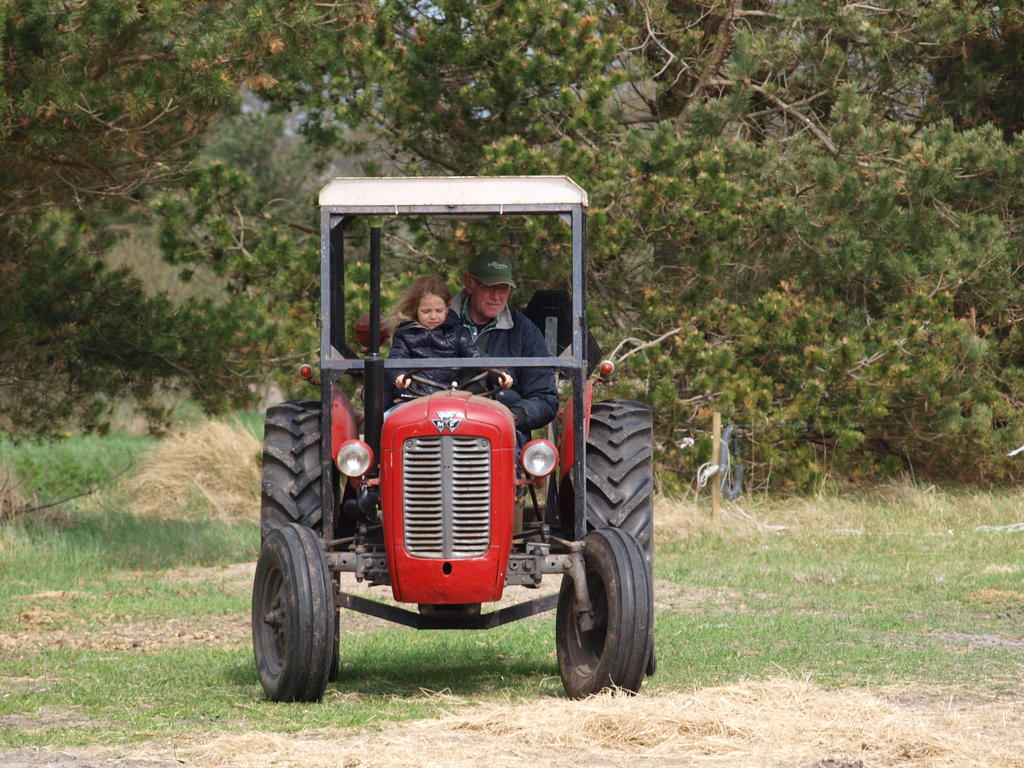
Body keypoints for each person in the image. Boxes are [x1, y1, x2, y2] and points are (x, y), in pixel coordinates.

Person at [451, 254, 558, 445]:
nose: (496, 296)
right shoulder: (438, 325)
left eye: (503, 289)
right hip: (439, 421)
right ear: (469, 284)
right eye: (489, 287)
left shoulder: (524, 331)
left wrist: (512, 417)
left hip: (502, 430)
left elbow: (544, 398)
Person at [388, 274, 512, 395]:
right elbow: (396, 360)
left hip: (449, 396)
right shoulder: (405, 333)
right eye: (426, 311)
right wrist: (399, 376)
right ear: (416, 309)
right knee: (387, 415)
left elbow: (478, 355)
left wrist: (500, 373)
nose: (433, 316)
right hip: (412, 396)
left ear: (447, 308)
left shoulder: (456, 332)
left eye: (439, 311)